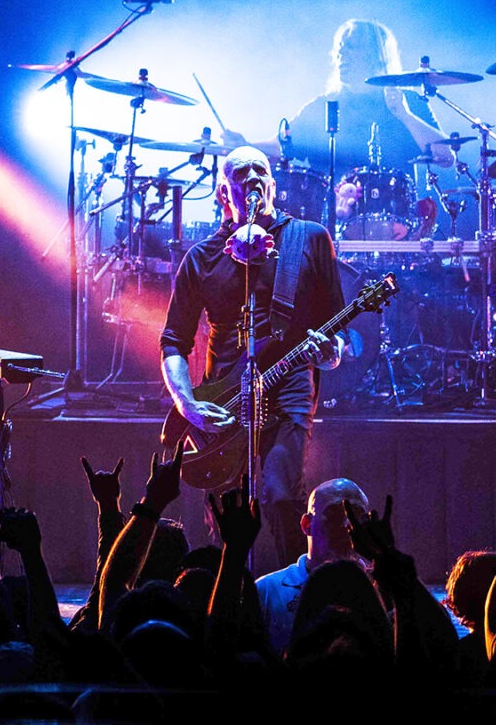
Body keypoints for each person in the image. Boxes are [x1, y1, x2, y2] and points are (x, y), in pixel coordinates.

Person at [159, 146, 344, 568]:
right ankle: (230, 596)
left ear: (273, 185)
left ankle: (292, 589)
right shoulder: (202, 257)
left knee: (281, 496)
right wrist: (187, 405)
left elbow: (336, 333)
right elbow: (173, 341)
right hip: (225, 397)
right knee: (228, 515)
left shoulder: (309, 239)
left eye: (260, 171)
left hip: (288, 386)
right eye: (241, 174)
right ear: (223, 193)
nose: (253, 179)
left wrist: (330, 352)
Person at [278, 18, 458, 184]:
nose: (341, 52)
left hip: (394, 208)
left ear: (375, 55)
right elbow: (279, 145)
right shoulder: (322, 106)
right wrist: (257, 150)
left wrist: (406, 115)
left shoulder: (408, 100)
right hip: (333, 208)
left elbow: (446, 157)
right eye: (340, 47)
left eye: (351, 46)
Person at [252, 477, 371, 654]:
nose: (347, 526)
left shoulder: (380, 587)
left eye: (357, 518)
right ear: (307, 524)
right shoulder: (267, 590)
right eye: (334, 515)